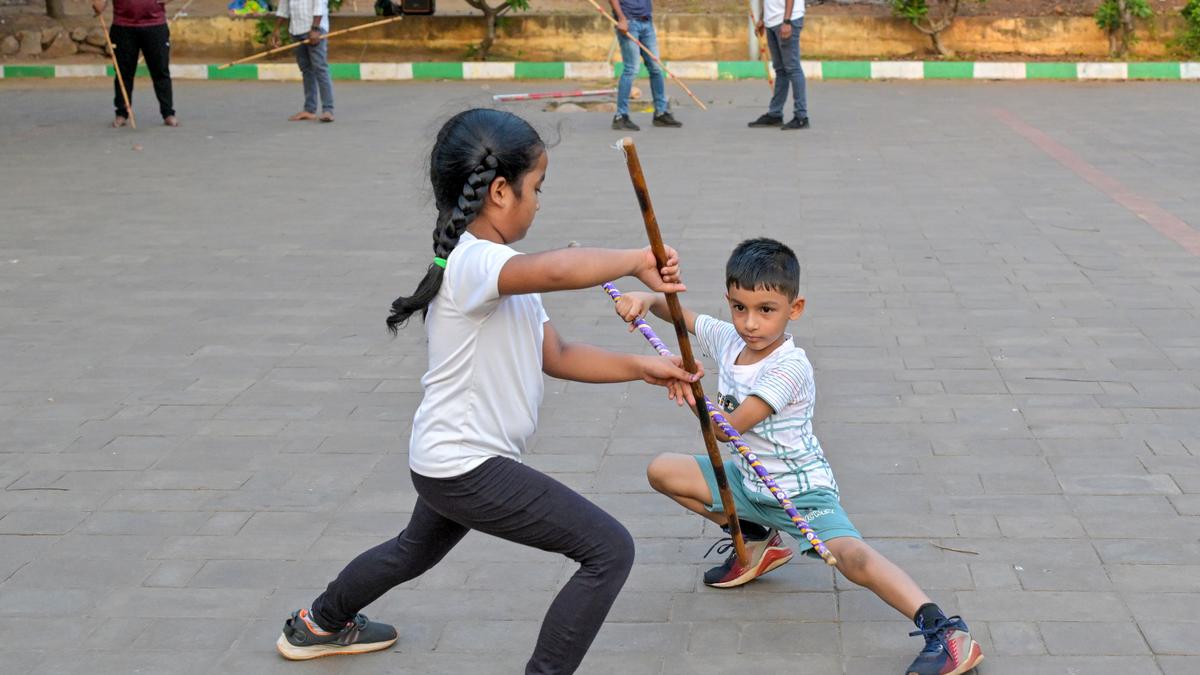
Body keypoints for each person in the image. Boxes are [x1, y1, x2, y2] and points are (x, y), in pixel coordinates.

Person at [276, 108, 704, 673]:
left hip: (448, 459)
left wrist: (642, 366)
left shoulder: (500, 270)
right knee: (608, 549)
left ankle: (319, 624)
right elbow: (557, 270)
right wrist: (634, 260)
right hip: (465, 465)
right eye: (538, 187)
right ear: (501, 191)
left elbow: (558, 356)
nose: (540, 201)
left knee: (413, 550)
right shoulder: (476, 262)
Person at [614, 238, 985, 675]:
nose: (750, 323)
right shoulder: (730, 338)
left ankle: (945, 631)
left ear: (796, 308)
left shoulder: (790, 368)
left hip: (802, 492)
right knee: (662, 471)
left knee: (854, 560)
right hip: (751, 482)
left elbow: (725, 428)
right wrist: (644, 298)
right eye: (739, 307)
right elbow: (680, 314)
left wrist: (686, 385)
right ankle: (756, 541)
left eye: (765, 310)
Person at [92, 0, 177, 128]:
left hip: (155, 25)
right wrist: (97, 5)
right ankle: (122, 113)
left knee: (160, 71)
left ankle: (168, 113)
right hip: (123, 27)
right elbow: (99, 6)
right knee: (123, 73)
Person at [608, 0, 681, 131]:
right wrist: (621, 18)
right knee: (632, 68)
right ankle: (620, 116)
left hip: (646, 22)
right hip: (629, 23)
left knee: (656, 68)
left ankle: (660, 113)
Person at [748, 0, 809, 130]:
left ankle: (801, 117)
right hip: (772, 22)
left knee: (793, 69)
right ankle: (775, 114)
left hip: (787, 20)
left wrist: (787, 22)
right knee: (780, 70)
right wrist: (763, 18)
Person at [275, 0, 334, 122]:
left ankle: (328, 110)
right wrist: (277, 29)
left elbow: (319, 5)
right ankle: (309, 109)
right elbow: (283, 6)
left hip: (314, 30)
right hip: (296, 30)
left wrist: (315, 29)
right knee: (306, 70)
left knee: (320, 68)